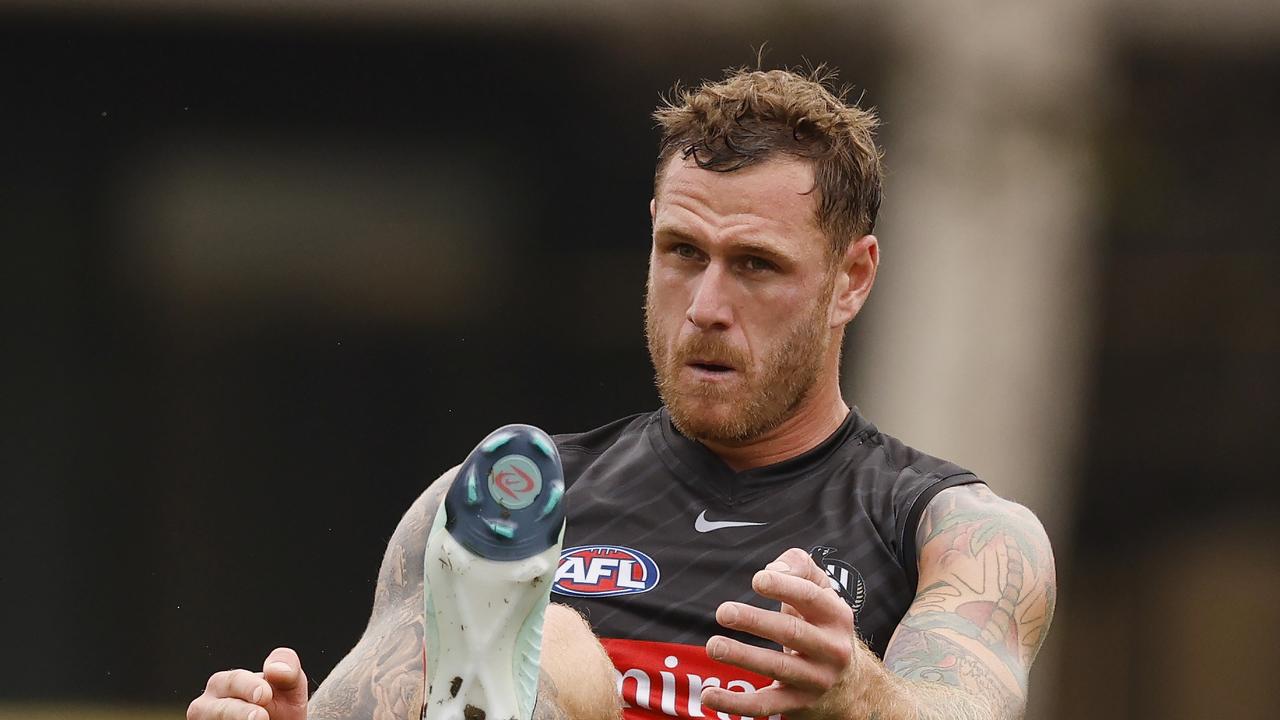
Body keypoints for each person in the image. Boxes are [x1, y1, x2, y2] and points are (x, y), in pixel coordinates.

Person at [187, 66, 1056, 720]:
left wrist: (855, 693)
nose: (707, 308)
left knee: (551, 639)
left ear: (851, 280)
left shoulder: (956, 532)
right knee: (553, 642)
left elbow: (959, 705)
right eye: (683, 253)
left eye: (755, 265)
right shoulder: (498, 501)